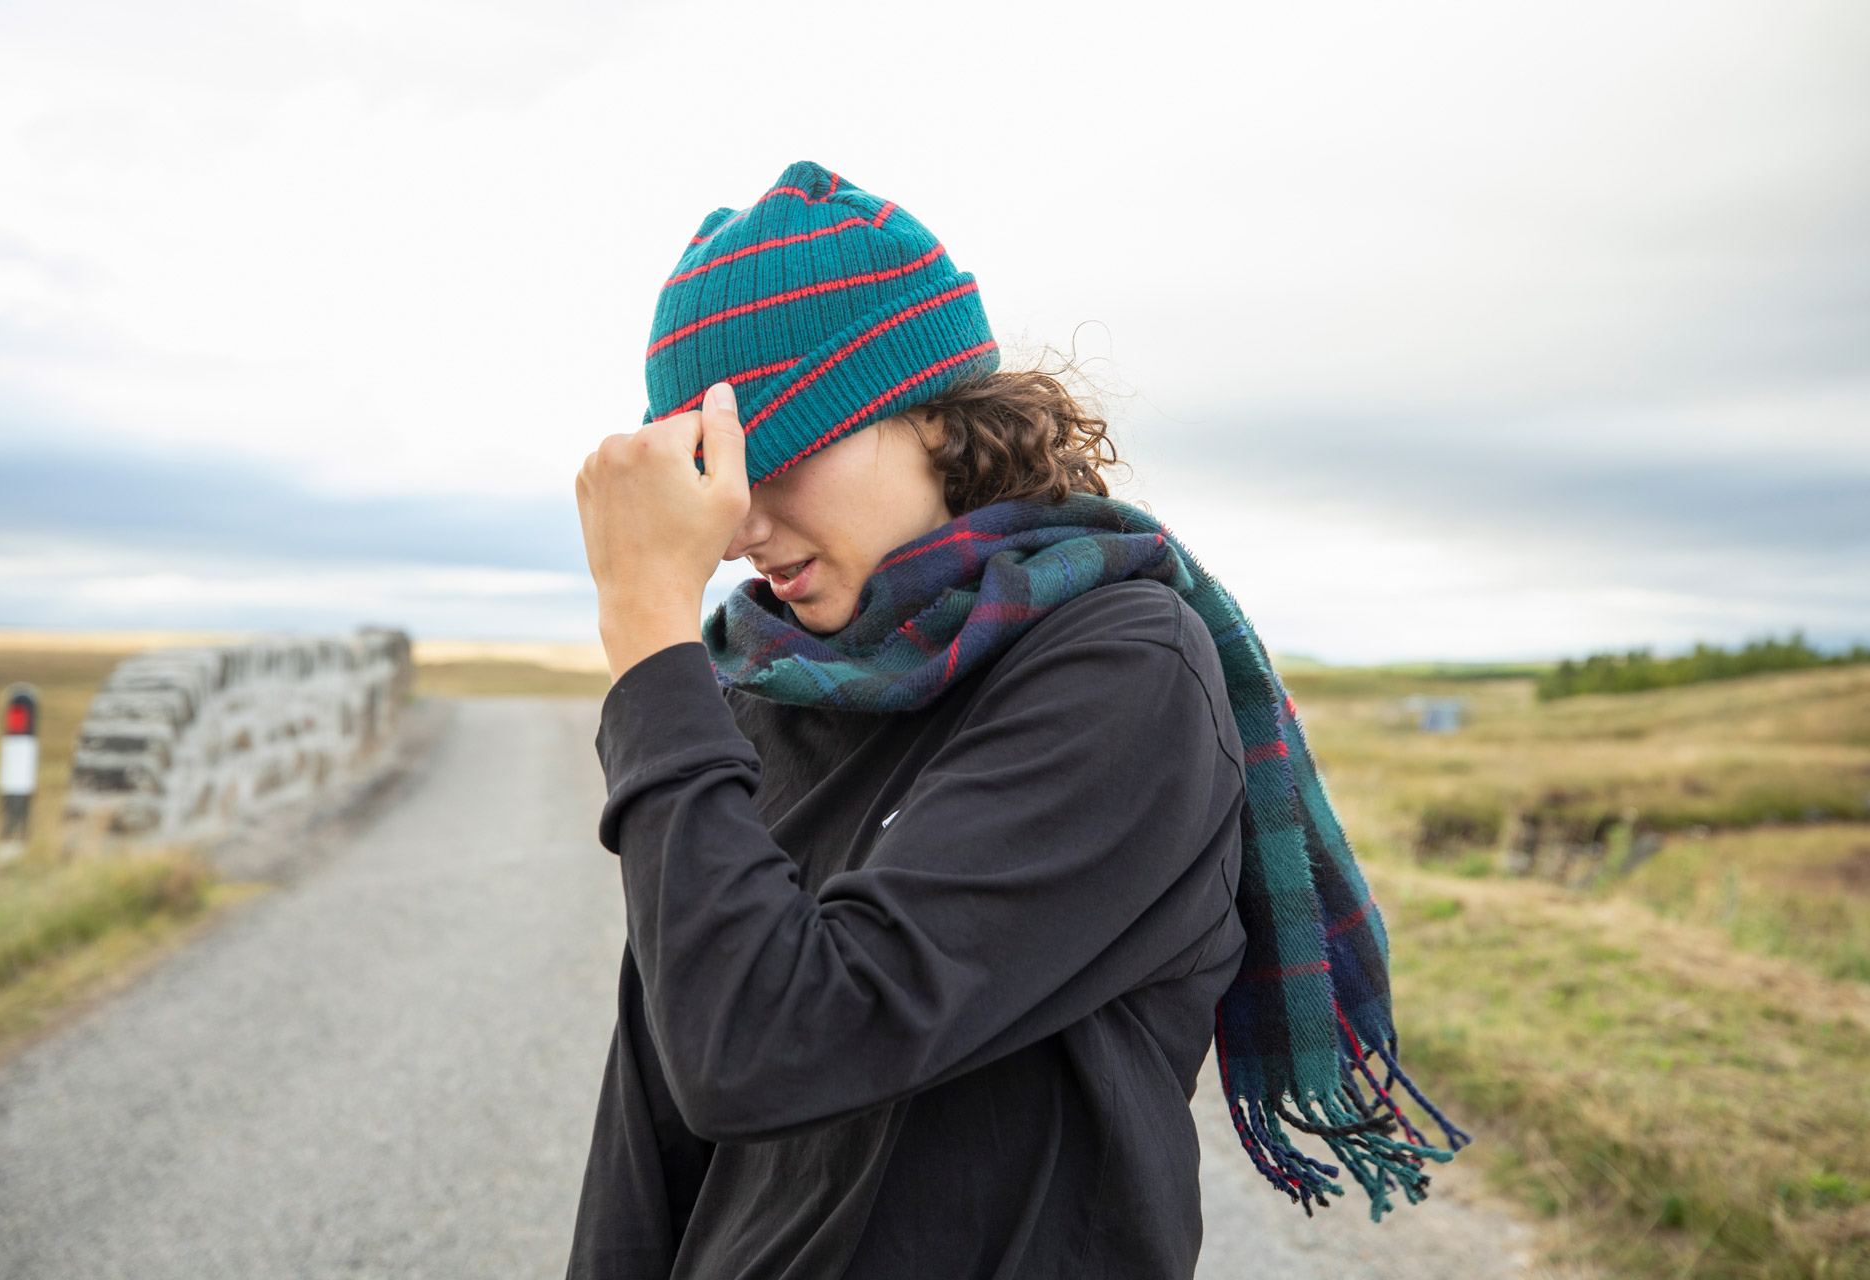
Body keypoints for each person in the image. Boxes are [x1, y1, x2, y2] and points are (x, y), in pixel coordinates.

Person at [567, 161, 1464, 1279]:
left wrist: (646, 634)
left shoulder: (1121, 673)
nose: (741, 523)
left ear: (936, 417)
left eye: (779, 452)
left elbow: (765, 1047)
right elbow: (653, 1117)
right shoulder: (761, 686)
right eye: (712, 470)